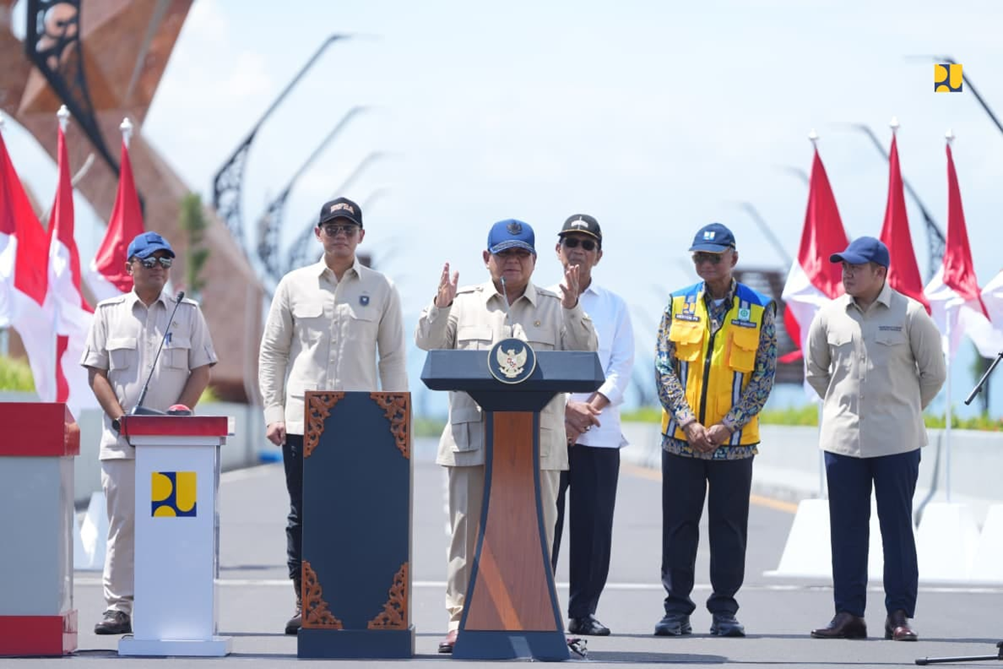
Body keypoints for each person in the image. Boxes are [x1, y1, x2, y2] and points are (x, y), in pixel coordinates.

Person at [415, 218, 598, 653]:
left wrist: (573, 308)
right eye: (503, 254)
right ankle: (461, 618)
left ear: (534, 260)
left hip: (537, 444)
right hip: (473, 441)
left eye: (520, 254)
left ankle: (540, 617)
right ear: (487, 259)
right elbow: (427, 343)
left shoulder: (558, 305)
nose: (511, 261)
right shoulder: (462, 303)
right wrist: (439, 307)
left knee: (540, 534)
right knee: (466, 533)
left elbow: (586, 355)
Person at [258, 196, 407, 635]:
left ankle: (350, 595)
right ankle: (307, 602)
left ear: (361, 236)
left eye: (348, 228)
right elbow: (274, 352)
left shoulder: (382, 287)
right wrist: (273, 410)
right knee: (304, 514)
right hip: (303, 422)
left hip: (360, 424)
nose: (340, 235)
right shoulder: (293, 285)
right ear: (318, 234)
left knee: (356, 513)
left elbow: (393, 357)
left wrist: (395, 418)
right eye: (333, 227)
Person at [807, 237, 946, 642]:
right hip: (843, 441)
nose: (846, 273)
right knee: (846, 529)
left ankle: (898, 614)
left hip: (897, 442)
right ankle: (848, 614)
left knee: (897, 528)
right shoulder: (829, 315)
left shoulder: (911, 314)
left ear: (880, 272)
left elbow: (934, 375)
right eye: (843, 266)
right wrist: (843, 408)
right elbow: (817, 371)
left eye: (855, 267)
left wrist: (901, 409)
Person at [81, 231, 217, 635]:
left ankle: (169, 598)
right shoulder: (108, 312)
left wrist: (183, 410)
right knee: (124, 524)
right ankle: (118, 606)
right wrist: (121, 418)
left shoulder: (186, 312)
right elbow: (97, 374)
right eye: (149, 261)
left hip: (174, 445)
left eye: (164, 261)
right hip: (122, 442)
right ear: (130, 267)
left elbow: (202, 369)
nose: (158, 268)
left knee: (173, 524)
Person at [653, 222, 777, 638]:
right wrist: (687, 420)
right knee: (679, 527)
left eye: (714, 257)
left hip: (734, 444)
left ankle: (725, 610)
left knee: (728, 529)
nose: (706, 264)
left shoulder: (759, 307)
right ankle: (676, 610)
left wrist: (728, 425)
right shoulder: (677, 303)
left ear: (733, 260)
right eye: (700, 258)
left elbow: (764, 374)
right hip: (681, 440)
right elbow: (663, 366)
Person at [549, 214, 634, 637]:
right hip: (550, 430)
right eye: (571, 242)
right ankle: (540, 605)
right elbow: (531, 364)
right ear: (557, 250)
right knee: (546, 522)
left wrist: (588, 412)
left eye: (586, 243)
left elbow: (621, 368)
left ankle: (583, 611)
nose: (578, 250)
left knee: (594, 527)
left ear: (598, 254)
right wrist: (565, 409)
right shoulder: (539, 299)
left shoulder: (615, 305)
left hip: (598, 434)